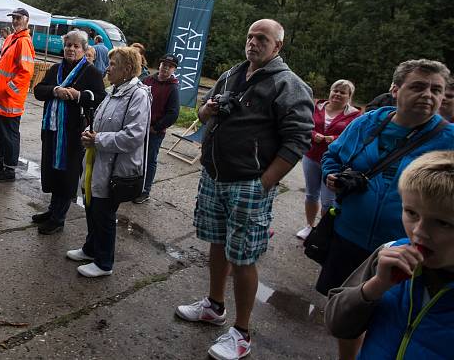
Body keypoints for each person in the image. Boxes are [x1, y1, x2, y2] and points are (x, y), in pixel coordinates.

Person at [176, 18, 314, 360]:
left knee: (244, 256)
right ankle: (214, 305)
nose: (254, 42)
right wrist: (207, 110)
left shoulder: (288, 84)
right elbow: (203, 112)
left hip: (249, 183)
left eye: (262, 38)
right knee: (218, 241)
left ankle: (242, 332)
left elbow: (298, 140)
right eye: (251, 36)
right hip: (214, 177)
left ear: (277, 46)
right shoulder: (231, 74)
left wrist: (263, 184)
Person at [318, 59, 454, 360]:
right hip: (349, 233)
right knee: (348, 309)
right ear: (395, 89)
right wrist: (331, 174)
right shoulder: (369, 121)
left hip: (410, 247)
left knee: (397, 316)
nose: (428, 95)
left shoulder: (449, 139)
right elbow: (333, 154)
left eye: (437, 90)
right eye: (418, 86)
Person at [325, 151, 454, 360]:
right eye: (411, 213)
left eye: (443, 223)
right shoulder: (390, 253)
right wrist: (376, 286)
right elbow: (337, 324)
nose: (419, 231)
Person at [66, 47, 150, 277]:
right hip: (98, 161)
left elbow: (134, 136)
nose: (107, 68)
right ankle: (91, 249)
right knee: (92, 207)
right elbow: (99, 121)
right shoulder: (113, 90)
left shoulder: (138, 95)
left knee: (104, 213)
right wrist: (88, 132)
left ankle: (104, 263)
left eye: (113, 64)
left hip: (115, 167)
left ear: (128, 69)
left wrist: (98, 140)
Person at [33, 30, 105, 235]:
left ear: (83, 49)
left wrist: (78, 95)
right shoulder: (55, 68)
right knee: (53, 170)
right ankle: (52, 210)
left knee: (66, 174)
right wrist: (54, 91)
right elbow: (39, 90)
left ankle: (58, 219)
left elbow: (100, 97)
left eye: (76, 46)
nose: (71, 49)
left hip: (73, 133)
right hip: (52, 129)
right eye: (68, 45)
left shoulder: (91, 73)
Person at [296, 79, 360, 240]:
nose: (337, 94)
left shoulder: (355, 115)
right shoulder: (316, 107)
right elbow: (304, 125)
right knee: (311, 195)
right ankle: (310, 226)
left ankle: (323, 232)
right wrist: (313, 135)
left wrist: (335, 138)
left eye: (342, 92)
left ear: (349, 96)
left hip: (335, 163)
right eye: (335, 90)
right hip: (311, 156)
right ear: (330, 92)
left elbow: (355, 137)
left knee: (328, 201)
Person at [0, 8, 36, 182]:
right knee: (1, 132)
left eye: (18, 18)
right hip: (1, 97)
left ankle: (10, 170)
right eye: (13, 18)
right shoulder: (12, 38)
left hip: (10, 99)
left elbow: (25, 73)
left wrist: (8, 90)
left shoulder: (23, 42)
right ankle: (3, 162)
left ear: (26, 20)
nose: (15, 21)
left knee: (9, 134)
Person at [136, 53, 181, 203]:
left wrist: (156, 127)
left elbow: (173, 114)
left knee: (149, 161)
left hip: (154, 132)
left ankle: (144, 191)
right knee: (135, 159)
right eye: (163, 64)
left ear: (174, 69)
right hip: (138, 128)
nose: (165, 68)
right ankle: (133, 186)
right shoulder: (147, 80)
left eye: (169, 66)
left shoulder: (173, 88)